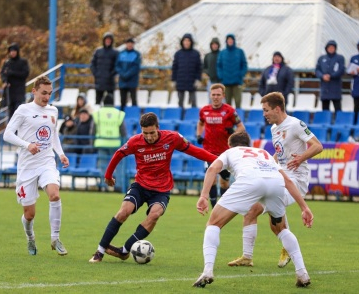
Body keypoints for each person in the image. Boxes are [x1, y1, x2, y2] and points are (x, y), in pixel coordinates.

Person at [89, 112, 218, 263]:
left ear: (158, 128)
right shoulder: (135, 142)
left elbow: (195, 151)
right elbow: (119, 154)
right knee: (124, 211)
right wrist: (108, 175)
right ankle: (100, 251)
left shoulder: (172, 138)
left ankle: (124, 250)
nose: (149, 137)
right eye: (145, 133)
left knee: (154, 215)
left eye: (152, 133)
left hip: (161, 189)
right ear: (141, 130)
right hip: (141, 186)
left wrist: (218, 160)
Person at [192, 131, 314, 288]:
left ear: (230, 145)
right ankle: (302, 274)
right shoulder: (263, 153)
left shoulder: (230, 152)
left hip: (250, 180)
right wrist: (304, 207)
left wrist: (203, 196)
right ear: (248, 145)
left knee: (214, 224)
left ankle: (207, 270)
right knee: (281, 229)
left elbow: (212, 169)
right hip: (275, 183)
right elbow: (288, 181)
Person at [228, 92, 323, 268]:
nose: (264, 114)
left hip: (296, 179)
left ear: (277, 109)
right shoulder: (274, 129)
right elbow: (280, 154)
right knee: (251, 211)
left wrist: (300, 158)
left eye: (266, 110)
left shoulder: (295, 124)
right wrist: (268, 163)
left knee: (267, 209)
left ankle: (290, 250)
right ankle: (247, 257)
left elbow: (318, 146)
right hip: (280, 177)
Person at [3, 76, 69, 256]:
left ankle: (55, 238)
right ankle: (30, 238)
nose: (47, 97)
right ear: (34, 91)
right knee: (29, 214)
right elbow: (7, 134)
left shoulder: (53, 111)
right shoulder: (23, 110)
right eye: (43, 93)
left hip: (46, 161)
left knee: (54, 195)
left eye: (49, 93)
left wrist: (61, 154)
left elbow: (53, 135)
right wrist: (27, 145)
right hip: (27, 166)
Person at [196, 83, 245, 208]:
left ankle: (223, 206)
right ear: (210, 95)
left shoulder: (230, 111)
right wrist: (199, 135)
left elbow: (241, 127)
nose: (216, 97)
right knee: (211, 180)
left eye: (218, 94)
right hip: (209, 151)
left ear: (223, 95)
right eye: (213, 95)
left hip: (225, 152)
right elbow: (201, 123)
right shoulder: (204, 110)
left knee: (224, 182)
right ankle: (213, 207)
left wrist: (233, 132)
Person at [93, 94, 126, 190]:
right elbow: (123, 131)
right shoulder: (119, 113)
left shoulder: (98, 113)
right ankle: (119, 185)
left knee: (103, 165)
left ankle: (104, 186)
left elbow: (93, 130)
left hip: (101, 143)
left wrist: (92, 142)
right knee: (118, 165)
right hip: (115, 143)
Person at [171, 33, 202, 109]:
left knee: (193, 102)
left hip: (192, 81)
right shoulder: (178, 54)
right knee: (180, 102)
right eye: (185, 41)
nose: (186, 42)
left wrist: (198, 79)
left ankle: (193, 116)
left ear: (191, 42)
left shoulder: (196, 54)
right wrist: (173, 80)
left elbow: (199, 68)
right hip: (180, 81)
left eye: (188, 41)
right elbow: (174, 67)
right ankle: (180, 117)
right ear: (182, 42)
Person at [216, 34, 247, 108]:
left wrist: (241, 74)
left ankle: (238, 118)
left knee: (238, 102)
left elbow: (244, 64)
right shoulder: (222, 53)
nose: (230, 41)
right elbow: (219, 65)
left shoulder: (240, 52)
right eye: (228, 40)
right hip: (226, 82)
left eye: (231, 40)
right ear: (226, 41)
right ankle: (229, 119)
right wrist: (221, 76)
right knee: (227, 104)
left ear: (234, 41)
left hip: (237, 82)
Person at [0, 43, 30, 120]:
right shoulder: (7, 63)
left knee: (18, 110)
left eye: (14, 51)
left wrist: (12, 73)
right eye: (11, 51)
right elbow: (3, 73)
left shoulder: (23, 62)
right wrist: (4, 81)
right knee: (11, 111)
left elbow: (25, 74)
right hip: (10, 91)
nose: (12, 53)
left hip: (19, 91)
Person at [315, 40, 345, 112]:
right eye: (329, 47)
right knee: (325, 108)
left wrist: (331, 76)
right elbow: (317, 70)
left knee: (337, 108)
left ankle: (338, 121)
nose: (331, 49)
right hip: (325, 88)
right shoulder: (321, 58)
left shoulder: (340, 58)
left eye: (333, 47)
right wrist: (322, 76)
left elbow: (341, 70)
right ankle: (325, 121)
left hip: (335, 87)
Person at [90, 32, 118, 105]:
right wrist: (96, 73)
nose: (108, 41)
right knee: (98, 101)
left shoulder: (115, 52)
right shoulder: (98, 51)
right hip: (99, 80)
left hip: (110, 81)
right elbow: (92, 64)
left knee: (110, 101)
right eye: (106, 40)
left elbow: (117, 65)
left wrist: (111, 74)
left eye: (109, 40)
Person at [115, 38, 142, 111]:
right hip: (122, 81)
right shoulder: (121, 53)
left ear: (133, 44)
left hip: (132, 81)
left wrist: (127, 74)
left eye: (131, 43)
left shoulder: (136, 54)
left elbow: (136, 67)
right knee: (122, 100)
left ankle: (134, 115)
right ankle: (122, 117)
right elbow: (117, 66)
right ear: (126, 44)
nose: (129, 45)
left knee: (133, 99)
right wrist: (122, 74)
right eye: (128, 43)